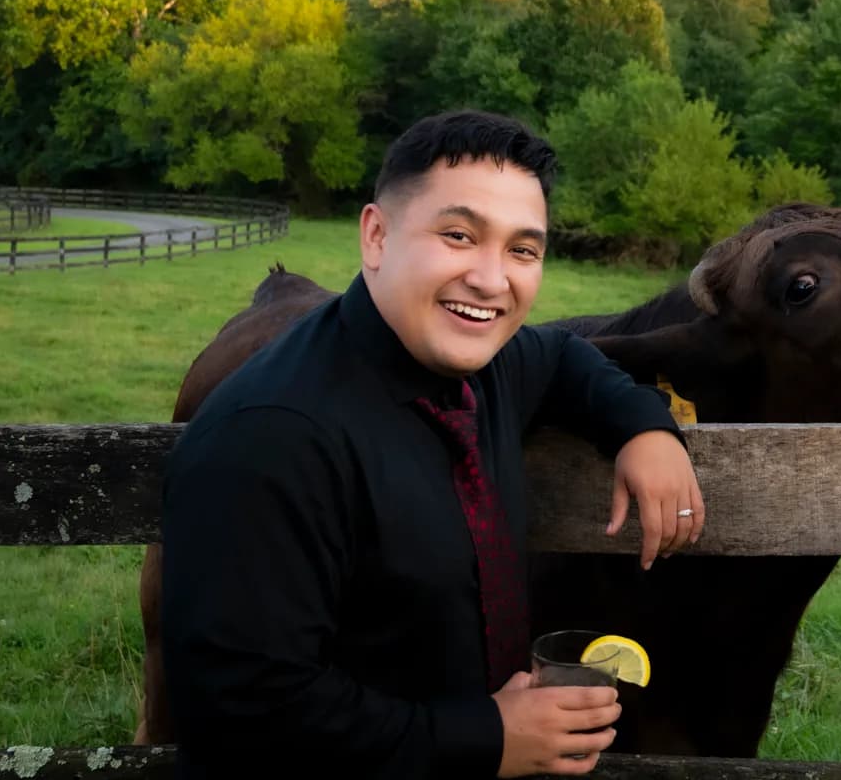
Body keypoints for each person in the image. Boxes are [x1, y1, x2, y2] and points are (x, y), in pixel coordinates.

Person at [161, 110, 706, 779]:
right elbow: (244, 718)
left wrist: (646, 427)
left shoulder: (486, 361)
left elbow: (563, 354)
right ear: (376, 235)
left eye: (522, 250)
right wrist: (489, 737)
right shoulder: (267, 439)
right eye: (458, 234)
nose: (490, 278)